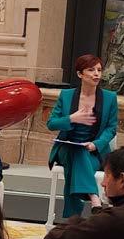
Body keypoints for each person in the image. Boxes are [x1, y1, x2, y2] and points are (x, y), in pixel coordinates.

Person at [47, 54, 118, 218]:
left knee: (77, 156)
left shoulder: (110, 98)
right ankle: (94, 198)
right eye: (91, 70)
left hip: (94, 152)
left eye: (99, 70)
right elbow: (51, 123)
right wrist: (71, 118)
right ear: (80, 74)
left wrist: (96, 144)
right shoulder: (66, 96)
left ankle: (73, 219)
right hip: (66, 148)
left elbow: (111, 128)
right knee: (76, 150)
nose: (96, 74)